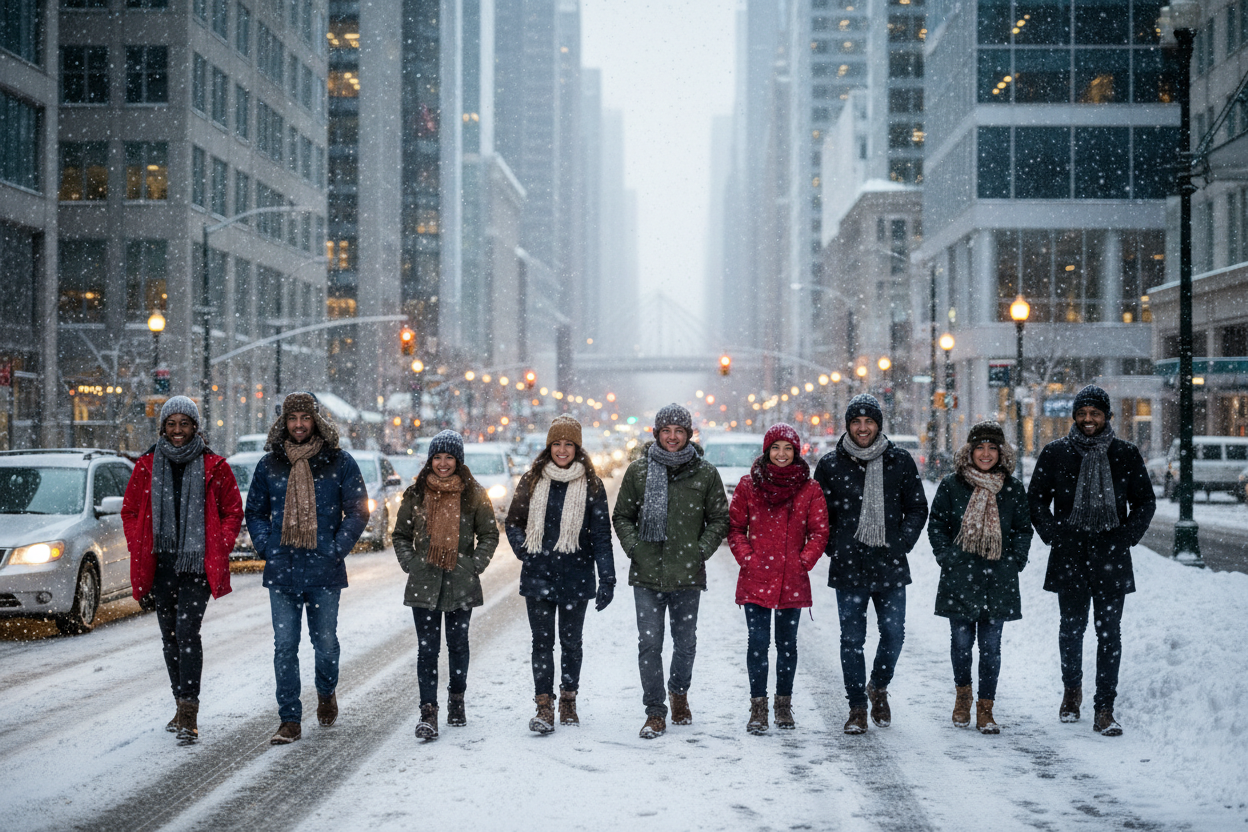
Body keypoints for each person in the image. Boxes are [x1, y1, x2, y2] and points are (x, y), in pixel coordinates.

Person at [1027, 385, 1155, 736]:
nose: (1088, 419)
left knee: (1109, 633)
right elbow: (1035, 498)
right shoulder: (1055, 453)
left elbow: (1145, 502)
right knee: (1071, 629)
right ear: (1074, 416)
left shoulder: (1125, 454)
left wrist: (1125, 537)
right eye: (1082, 413)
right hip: (1069, 555)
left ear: (1106, 416)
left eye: (1094, 413)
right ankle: (1072, 692)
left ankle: (1104, 707)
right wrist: (1053, 533)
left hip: (1111, 556)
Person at [245, 392, 369, 745]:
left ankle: (326, 693)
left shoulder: (338, 462)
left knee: (325, 644)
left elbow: (358, 509)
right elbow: (254, 511)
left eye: (305, 418)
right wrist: (267, 546)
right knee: (285, 646)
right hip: (282, 569)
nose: (298, 425)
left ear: (316, 420)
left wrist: (336, 547)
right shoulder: (270, 464)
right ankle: (290, 719)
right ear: (283, 423)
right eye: (292, 418)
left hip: (323, 570)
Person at [122, 396, 243, 745]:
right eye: (171, 424)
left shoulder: (214, 466)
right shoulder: (146, 466)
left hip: (196, 565)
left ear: (195, 427)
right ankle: (179, 702)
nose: (178, 431)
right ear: (163, 427)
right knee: (169, 637)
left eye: (184, 424)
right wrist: (138, 544)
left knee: (187, 632)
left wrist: (219, 542)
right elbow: (130, 511)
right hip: (161, 565)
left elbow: (233, 511)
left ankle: (189, 710)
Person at [612, 403, 730, 739]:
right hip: (647, 574)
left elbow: (719, 518)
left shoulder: (704, 473)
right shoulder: (638, 472)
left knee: (685, 642)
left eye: (679, 431)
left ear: (688, 434)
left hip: (687, 574)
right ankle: (655, 711)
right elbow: (622, 516)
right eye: (667, 431)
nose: (673, 437)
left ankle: (679, 692)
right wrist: (635, 548)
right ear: (657, 434)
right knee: (649, 644)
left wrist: (700, 550)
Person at [813, 393, 928, 734]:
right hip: (849, 567)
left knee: (894, 635)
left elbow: (918, 507)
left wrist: (902, 541)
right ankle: (857, 707)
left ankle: (878, 686)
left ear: (879, 424)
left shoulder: (900, 461)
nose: (863, 428)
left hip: (890, 564)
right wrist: (835, 546)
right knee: (852, 640)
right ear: (847, 425)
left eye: (869, 422)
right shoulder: (831, 465)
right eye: (856, 422)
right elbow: (819, 515)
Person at [505, 415, 616, 733]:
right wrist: (524, 550)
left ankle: (568, 701)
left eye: (569, 444)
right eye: (557, 443)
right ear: (549, 446)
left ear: (577, 448)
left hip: (576, 575)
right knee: (541, 643)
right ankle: (544, 706)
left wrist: (607, 578)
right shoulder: (532, 480)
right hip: (539, 574)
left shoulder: (592, 485)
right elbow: (513, 522)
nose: (563, 450)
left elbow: (601, 536)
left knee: (571, 642)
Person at [927, 420, 1033, 734]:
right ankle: (963, 697)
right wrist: (948, 557)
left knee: (991, 647)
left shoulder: (1012, 488)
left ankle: (986, 708)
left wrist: (1015, 560)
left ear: (1001, 453)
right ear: (969, 451)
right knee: (961, 644)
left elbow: (1023, 529)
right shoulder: (952, 484)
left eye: (992, 448)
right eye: (979, 447)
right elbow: (937, 526)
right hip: (960, 576)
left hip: (998, 578)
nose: (985, 453)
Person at [392, 430, 499, 741]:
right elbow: (400, 535)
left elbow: (489, 535)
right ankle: (428, 711)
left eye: (448, 457)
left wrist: (473, 564)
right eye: (437, 457)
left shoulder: (474, 494)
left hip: (460, 581)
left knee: (458, 645)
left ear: (458, 460)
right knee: (427, 651)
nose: (442, 463)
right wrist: (413, 563)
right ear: (430, 459)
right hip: (424, 582)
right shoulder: (416, 494)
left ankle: (456, 700)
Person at [726, 423, 829, 734]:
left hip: (791, 579)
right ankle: (758, 706)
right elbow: (735, 529)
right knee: (757, 644)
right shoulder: (748, 485)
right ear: (766, 451)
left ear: (796, 452)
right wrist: (747, 557)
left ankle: (783, 705)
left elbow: (820, 531)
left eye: (787, 448)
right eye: (776, 448)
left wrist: (803, 561)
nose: (781, 454)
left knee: (787, 645)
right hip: (756, 576)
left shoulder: (809, 489)